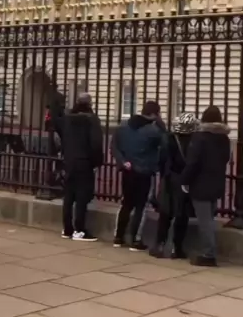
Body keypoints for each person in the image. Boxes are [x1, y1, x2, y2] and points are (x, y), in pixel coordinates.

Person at [180, 105, 231, 267]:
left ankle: (209, 254)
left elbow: (193, 162)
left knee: (204, 221)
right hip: (216, 182)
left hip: (200, 183)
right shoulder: (224, 138)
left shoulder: (200, 137)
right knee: (209, 219)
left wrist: (184, 180)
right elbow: (226, 159)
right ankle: (209, 251)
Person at [111, 100, 165, 251]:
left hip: (128, 170)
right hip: (144, 171)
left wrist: (122, 161)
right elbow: (165, 142)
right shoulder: (153, 131)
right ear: (154, 114)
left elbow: (114, 146)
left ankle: (118, 236)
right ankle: (135, 239)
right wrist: (161, 124)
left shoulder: (123, 126)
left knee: (126, 204)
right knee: (141, 206)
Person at [52, 92, 104, 241]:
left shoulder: (67, 119)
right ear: (90, 103)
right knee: (82, 197)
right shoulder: (91, 119)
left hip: (69, 161)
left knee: (68, 196)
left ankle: (67, 228)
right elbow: (96, 144)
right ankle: (79, 229)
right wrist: (96, 162)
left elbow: (58, 128)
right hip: (84, 162)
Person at [149, 112, 199, 260]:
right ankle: (177, 248)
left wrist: (164, 173)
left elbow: (162, 159)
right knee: (182, 215)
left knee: (165, 213)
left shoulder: (169, 138)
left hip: (170, 178)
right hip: (185, 180)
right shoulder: (195, 141)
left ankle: (160, 244)